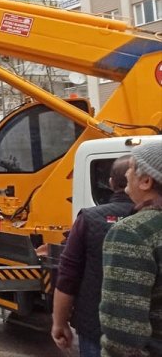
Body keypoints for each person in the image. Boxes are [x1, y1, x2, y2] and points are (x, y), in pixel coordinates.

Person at [51, 155, 134, 357]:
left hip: (95, 326)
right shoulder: (154, 220)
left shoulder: (89, 219)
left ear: (111, 183)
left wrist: (59, 323)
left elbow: (68, 275)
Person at [99, 140, 162, 357]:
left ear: (146, 181)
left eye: (132, 167)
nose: (126, 173)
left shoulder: (133, 232)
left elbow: (124, 332)